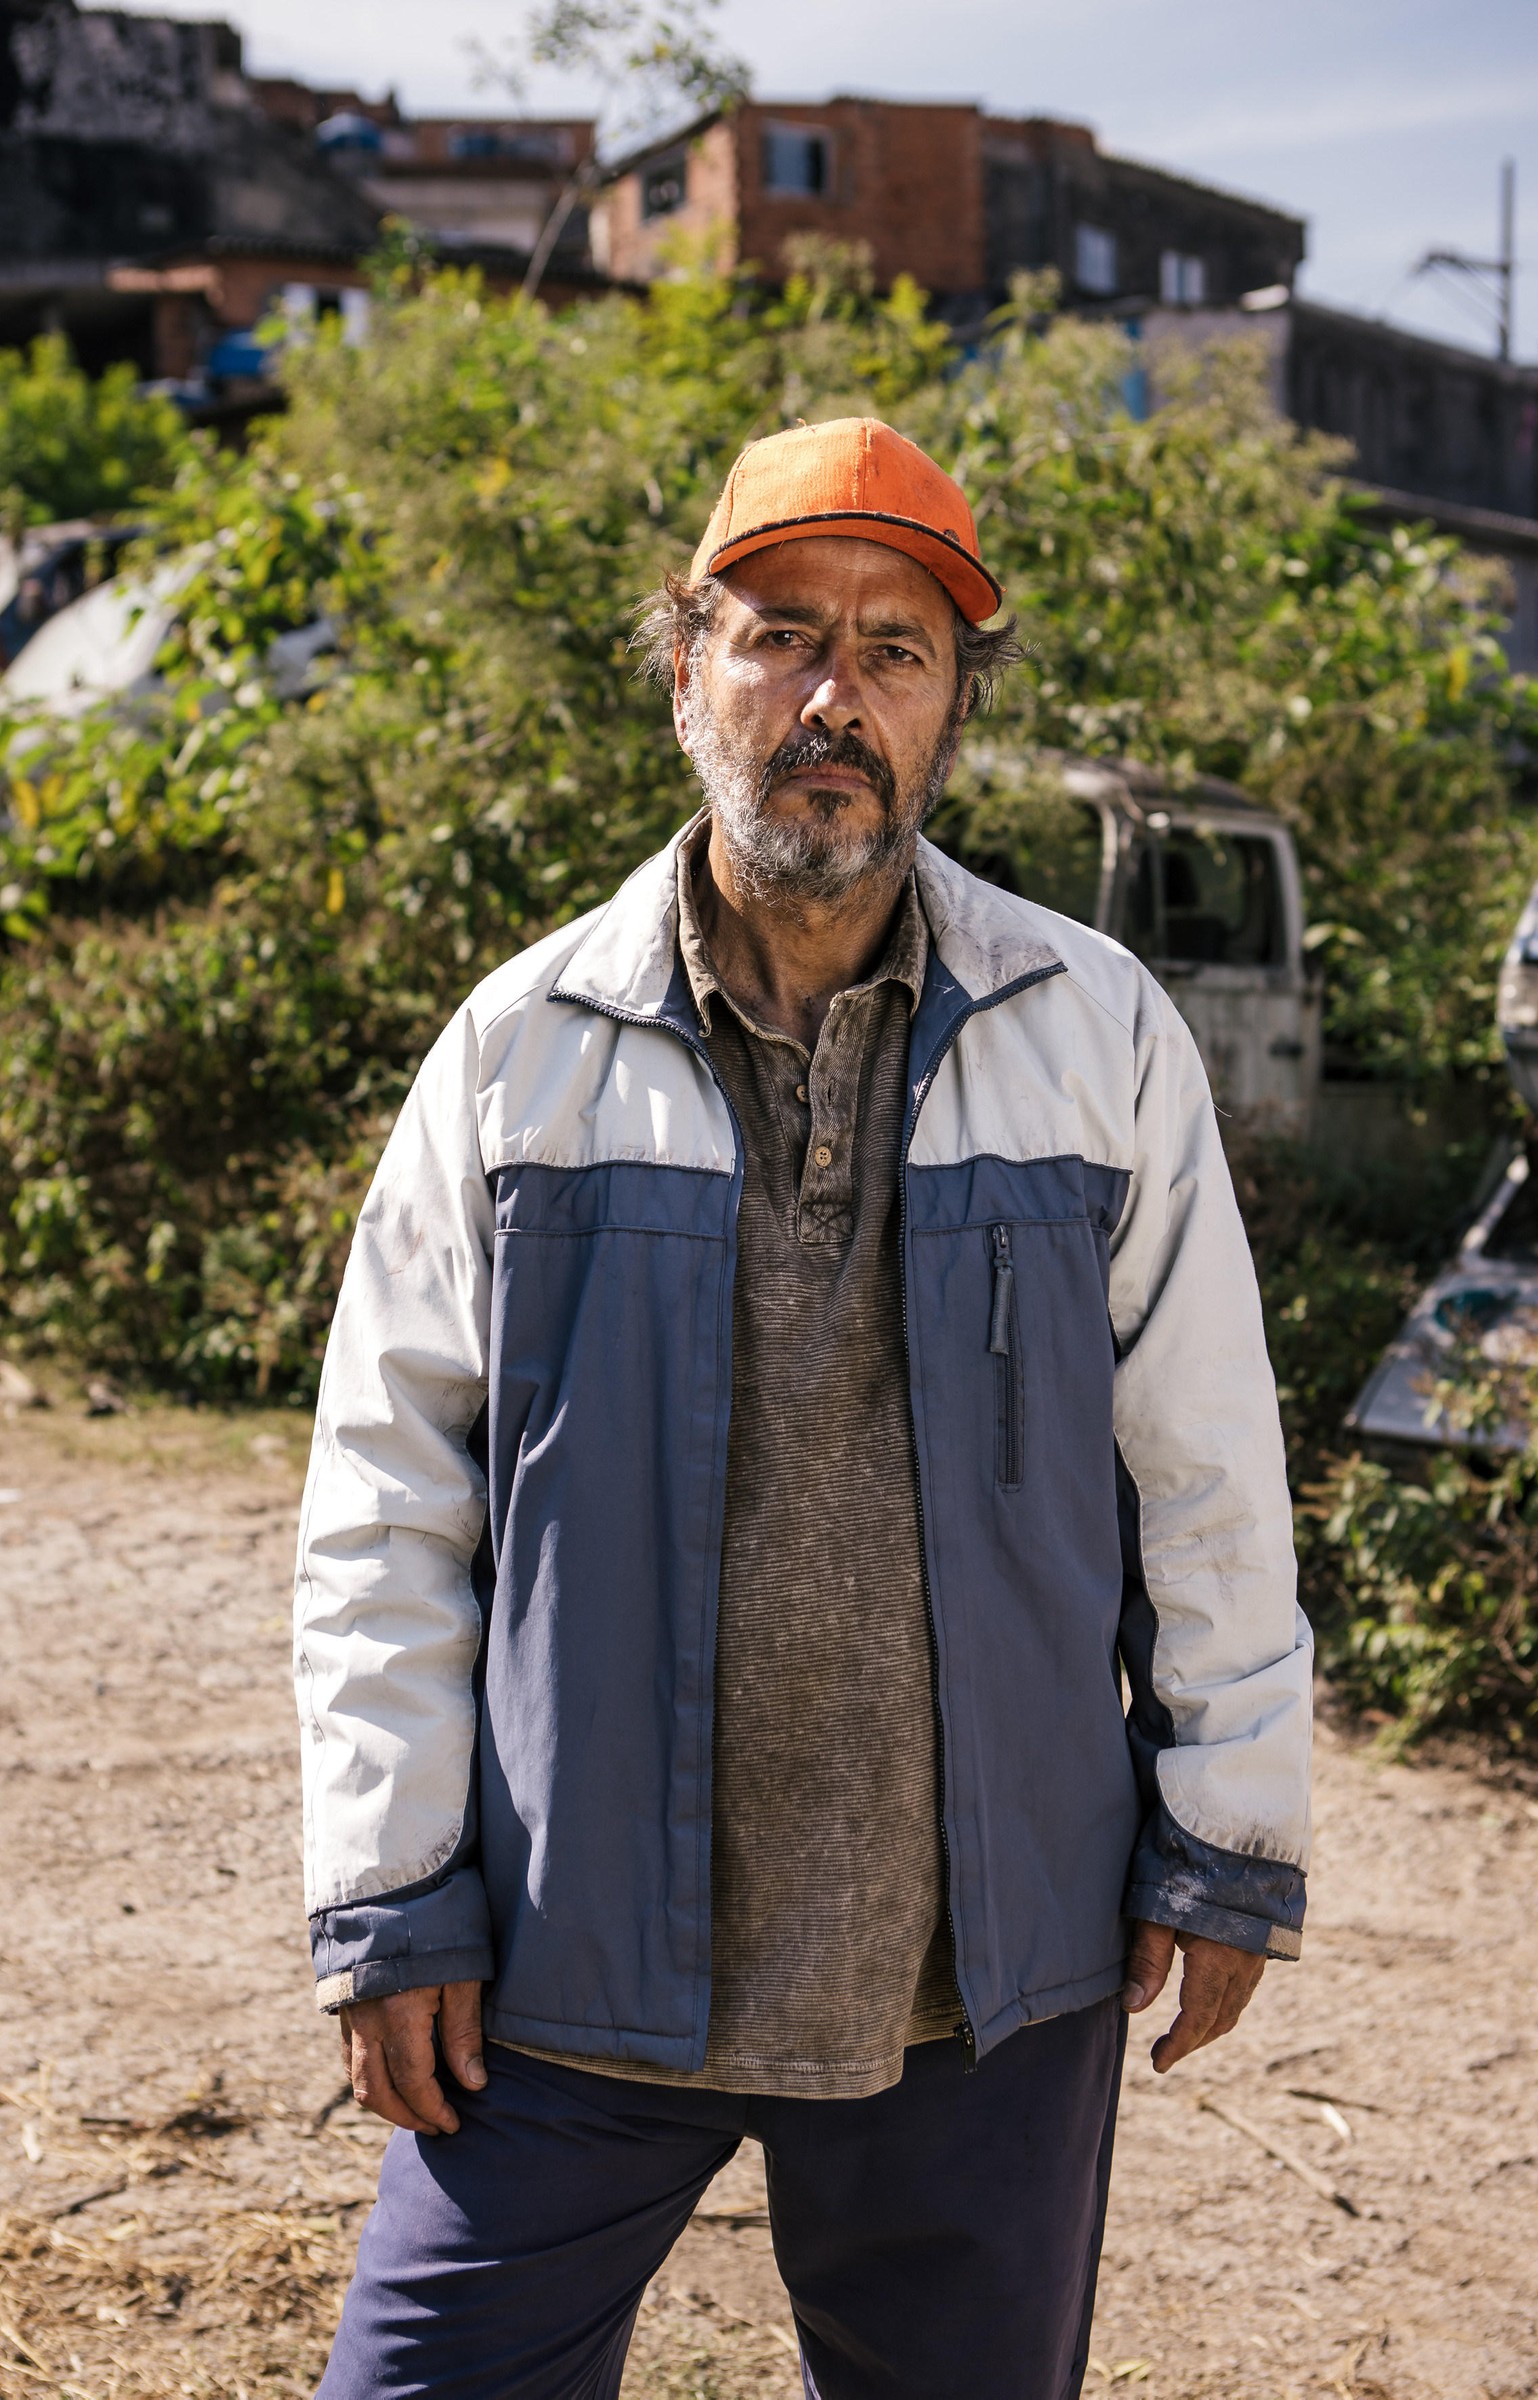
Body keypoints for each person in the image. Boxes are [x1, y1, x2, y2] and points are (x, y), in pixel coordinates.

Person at [295, 415, 1313, 2400]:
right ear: (688, 666)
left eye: (893, 646)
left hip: (973, 1987)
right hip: (559, 1967)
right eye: (778, 635)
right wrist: (390, 1893)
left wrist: (1225, 1830)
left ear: (951, 708)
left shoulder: (1089, 1030)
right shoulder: (523, 1050)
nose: (829, 695)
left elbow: (1202, 1466)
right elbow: (385, 1502)